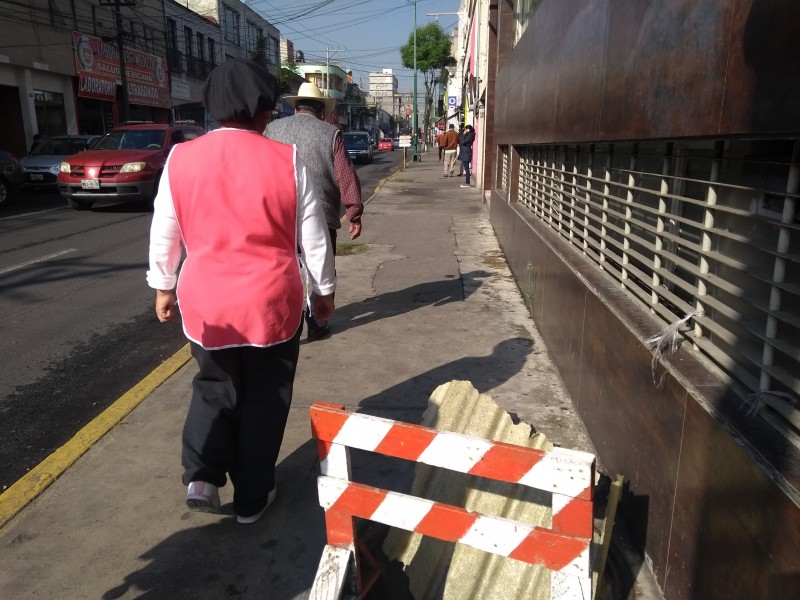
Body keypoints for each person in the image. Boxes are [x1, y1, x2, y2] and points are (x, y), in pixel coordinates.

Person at [146, 59, 336, 525]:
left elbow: (164, 229)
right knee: (263, 398)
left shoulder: (181, 159)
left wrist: (163, 286)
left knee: (214, 386)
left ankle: (203, 475)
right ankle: (251, 499)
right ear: (263, 111)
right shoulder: (286, 160)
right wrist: (324, 292)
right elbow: (314, 237)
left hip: (207, 304)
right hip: (273, 303)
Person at [266, 81, 362, 341]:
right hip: (322, 216)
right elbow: (345, 177)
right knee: (320, 268)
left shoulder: (270, 129)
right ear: (322, 111)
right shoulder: (330, 133)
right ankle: (318, 322)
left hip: (277, 217)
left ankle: (287, 324)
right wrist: (354, 213)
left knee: (283, 268)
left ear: (297, 107)